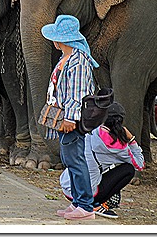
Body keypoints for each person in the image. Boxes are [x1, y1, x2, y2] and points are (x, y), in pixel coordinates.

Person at [41, 14, 99, 220]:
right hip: (64, 116)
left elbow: (78, 93)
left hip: (71, 119)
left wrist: (71, 119)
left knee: (75, 160)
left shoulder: (78, 61)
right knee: (69, 159)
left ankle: (85, 205)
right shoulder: (66, 58)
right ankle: (76, 202)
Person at [60, 102, 145, 219]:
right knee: (128, 169)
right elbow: (140, 165)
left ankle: (76, 204)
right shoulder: (119, 146)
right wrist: (132, 140)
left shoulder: (91, 130)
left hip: (67, 187)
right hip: (87, 194)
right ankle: (94, 205)